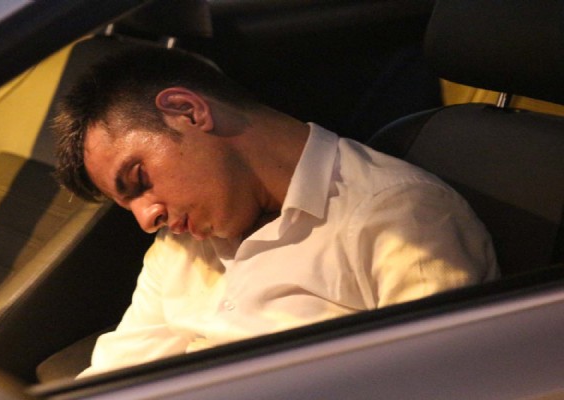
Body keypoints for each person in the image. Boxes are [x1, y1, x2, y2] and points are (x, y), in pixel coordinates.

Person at [53, 44, 499, 377]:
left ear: (187, 111)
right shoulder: (180, 244)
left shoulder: (400, 217)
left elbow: (440, 383)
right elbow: (116, 374)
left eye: (139, 181)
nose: (146, 218)